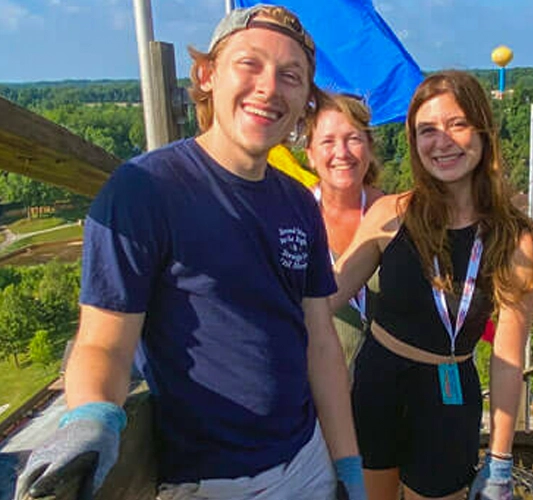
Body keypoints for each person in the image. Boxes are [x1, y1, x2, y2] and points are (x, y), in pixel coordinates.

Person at [16, 5, 365, 500]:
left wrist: (347, 465)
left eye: (291, 76)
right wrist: (92, 417)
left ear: (305, 99)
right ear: (206, 75)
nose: (269, 87)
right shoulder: (145, 190)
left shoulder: (297, 203)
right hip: (209, 482)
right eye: (250, 64)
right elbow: (103, 342)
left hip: (307, 461)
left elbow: (320, 339)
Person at [331, 71, 533, 500]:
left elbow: (506, 356)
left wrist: (500, 460)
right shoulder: (390, 214)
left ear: (482, 132)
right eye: (427, 130)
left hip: (449, 398)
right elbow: (327, 295)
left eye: (457, 125)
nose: (441, 141)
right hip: (376, 384)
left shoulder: (513, 237)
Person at [304, 92, 386, 374]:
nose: (342, 152)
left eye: (353, 139)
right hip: (314, 387)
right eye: (327, 141)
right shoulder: (290, 218)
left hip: (390, 389)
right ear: (310, 156)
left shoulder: (398, 216)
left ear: (369, 148)